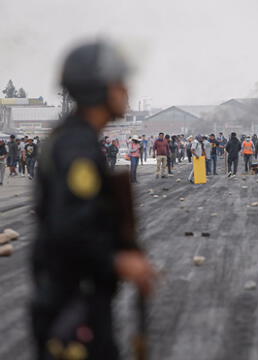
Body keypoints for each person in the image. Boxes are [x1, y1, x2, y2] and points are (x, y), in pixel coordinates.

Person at [31, 41, 155, 360]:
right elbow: (68, 226)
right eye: (119, 83)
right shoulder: (77, 148)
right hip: (72, 306)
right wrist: (118, 260)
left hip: (74, 299)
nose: (126, 91)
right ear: (100, 89)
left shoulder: (72, 138)